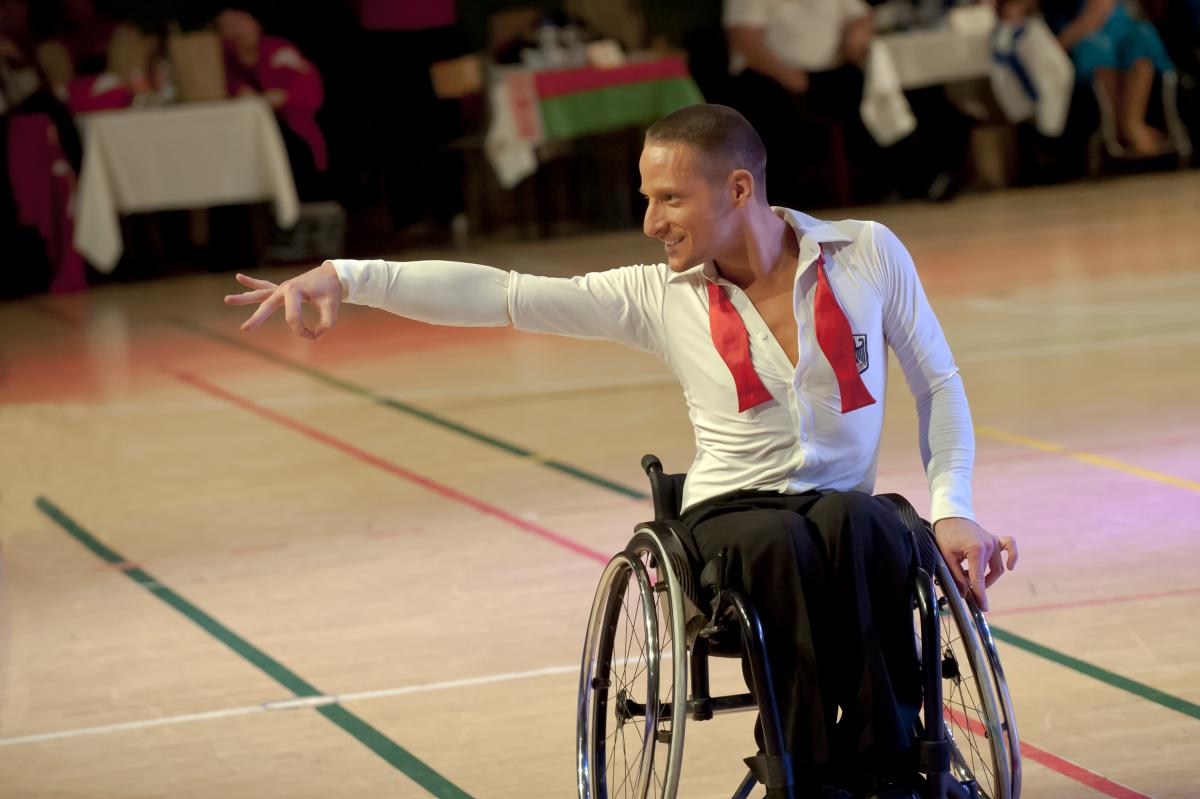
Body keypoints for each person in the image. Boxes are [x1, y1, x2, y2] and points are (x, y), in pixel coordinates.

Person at [224, 104, 1017, 799]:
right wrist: (348, 275)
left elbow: (939, 384)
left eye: (670, 198)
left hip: (835, 514)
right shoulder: (659, 297)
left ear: (739, 189)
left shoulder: (868, 253)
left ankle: (893, 766)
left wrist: (956, 510)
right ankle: (807, 775)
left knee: (874, 523)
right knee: (784, 539)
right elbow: (504, 294)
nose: (650, 220)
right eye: (648, 198)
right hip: (730, 522)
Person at [1036, 0, 1176, 155]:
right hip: (1082, 41)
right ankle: (1128, 128)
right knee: (1092, 51)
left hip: (1102, 31)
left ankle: (1130, 125)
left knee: (1139, 41)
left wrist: (1055, 48)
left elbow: (1099, 11)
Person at [215, 7, 327, 197]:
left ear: (256, 23)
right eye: (226, 26)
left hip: (289, 134)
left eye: (239, 22)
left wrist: (283, 97)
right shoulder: (220, 61)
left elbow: (311, 92)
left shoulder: (279, 51)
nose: (235, 32)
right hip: (240, 138)